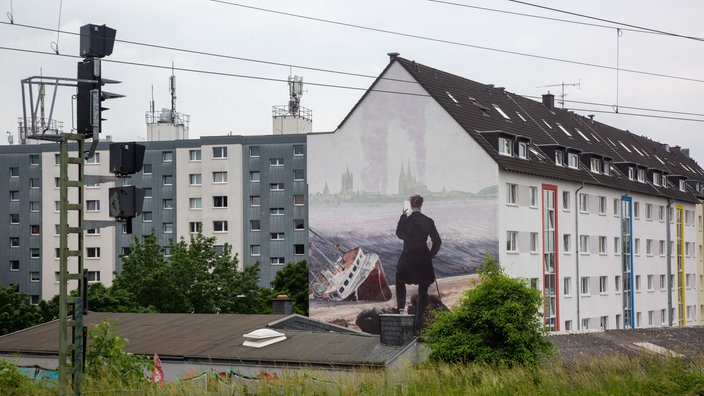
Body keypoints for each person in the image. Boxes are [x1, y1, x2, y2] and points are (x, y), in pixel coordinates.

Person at [395, 194, 441, 331]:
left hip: (408, 259)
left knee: (399, 280)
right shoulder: (428, 221)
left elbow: (399, 234)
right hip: (423, 261)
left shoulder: (407, 220)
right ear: (421, 205)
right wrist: (430, 255)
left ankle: (400, 311)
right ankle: (419, 322)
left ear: (410, 205)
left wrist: (402, 216)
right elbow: (437, 242)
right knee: (423, 290)